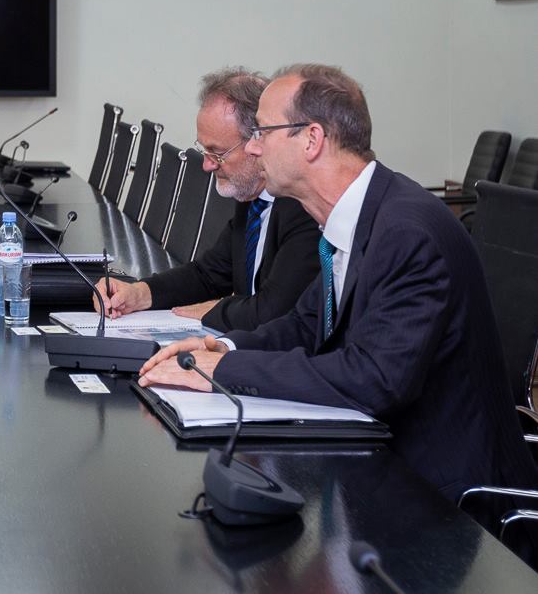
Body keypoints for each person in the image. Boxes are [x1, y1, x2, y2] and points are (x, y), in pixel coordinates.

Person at [138, 64, 538, 500]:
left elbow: (375, 378)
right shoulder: (356, 214)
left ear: (311, 139)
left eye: (262, 132)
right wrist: (224, 349)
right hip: (379, 463)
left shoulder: (406, 232)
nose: (252, 147)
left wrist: (227, 371)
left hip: (448, 498)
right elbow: (306, 323)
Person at [94, 68, 319, 331]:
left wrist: (216, 309)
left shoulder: (303, 206)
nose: (207, 165)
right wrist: (139, 293)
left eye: (217, 153)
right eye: (205, 151)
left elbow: (273, 312)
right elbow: (209, 275)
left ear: (259, 143)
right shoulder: (252, 198)